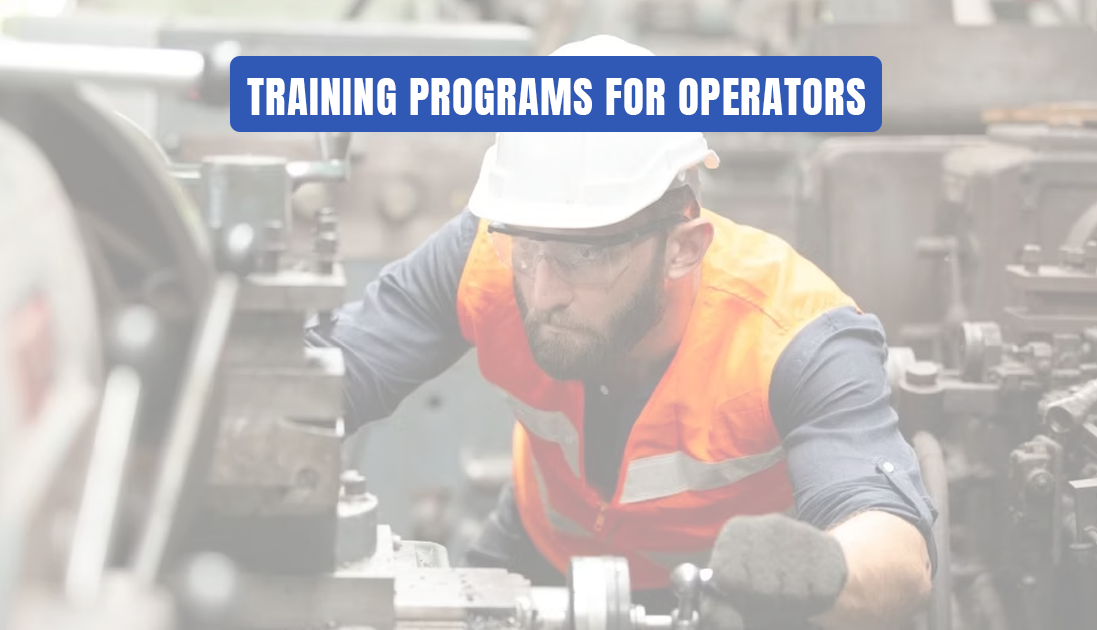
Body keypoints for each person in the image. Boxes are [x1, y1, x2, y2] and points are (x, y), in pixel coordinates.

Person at [309, 35, 936, 630]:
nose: (544, 292)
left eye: (587, 256)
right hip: (544, 550)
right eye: (527, 247)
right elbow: (328, 374)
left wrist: (809, 574)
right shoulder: (486, 257)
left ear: (683, 249)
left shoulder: (793, 334)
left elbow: (896, 551)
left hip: (732, 595)